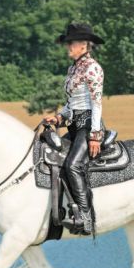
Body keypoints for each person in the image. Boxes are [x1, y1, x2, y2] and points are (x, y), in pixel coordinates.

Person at [44, 23, 105, 235]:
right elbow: (73, 103)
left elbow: (96, 103)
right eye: (68, 43)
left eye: (71, 43)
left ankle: (86, 217)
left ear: (84, 45)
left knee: (72, 165)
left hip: (88, 125)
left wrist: (95, 136)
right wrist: (59, 117)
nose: (68, 47)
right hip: (74, 123)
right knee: (53, 157)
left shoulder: (93, 68)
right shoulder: (73, 68)